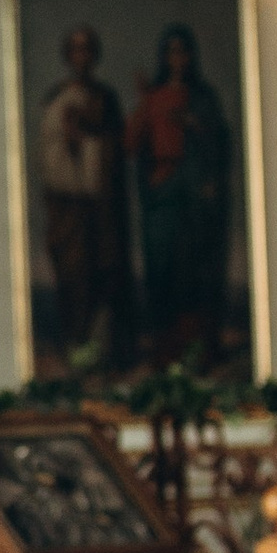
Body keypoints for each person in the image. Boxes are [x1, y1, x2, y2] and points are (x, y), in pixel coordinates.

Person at [125, 22, 234, 365]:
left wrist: (193, 125)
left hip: (194, 197)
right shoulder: (153, 97)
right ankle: (164, 347)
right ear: (164, 57)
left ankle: (196, 347)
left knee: (193, 267)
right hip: (161, 192)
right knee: (161, 266)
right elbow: (132, 145)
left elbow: (218, 143)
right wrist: (147, 109)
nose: (178, 59)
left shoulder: (204, 97)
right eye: (171, 52)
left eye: (183, 51)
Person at [34, 23, 129, 363]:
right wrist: (71, 139)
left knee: (102, 270)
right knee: (72, 273)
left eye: (87, 49)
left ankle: (102, 347)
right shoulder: (56, 96)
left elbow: (115, 148)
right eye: (76, 49)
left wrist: (89, 140)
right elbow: (50, 149)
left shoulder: (106, 98)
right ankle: (72, 343)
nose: (82, 56)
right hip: (66, 205)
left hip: (100, 207)